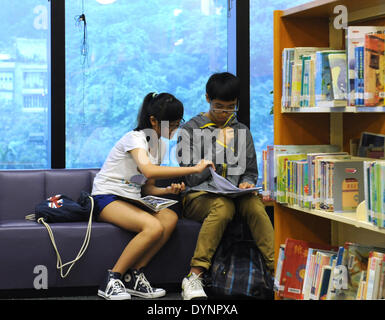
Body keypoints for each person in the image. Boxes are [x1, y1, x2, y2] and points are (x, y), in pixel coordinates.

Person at [92, 92, 214, 300]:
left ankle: (134, 275)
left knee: (170, 217)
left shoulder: (160, 144)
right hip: (107, 197)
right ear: (153, 121)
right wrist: (193, 169)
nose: (175, 129)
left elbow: (147, 187)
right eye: (171, 124)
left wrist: (167, 191)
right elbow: (148, 170)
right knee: (153, 226)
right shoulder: (135, 138)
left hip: (132, 198)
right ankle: (112, 278)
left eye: (178, 123)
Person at [176, 72, 274, 300]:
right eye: (219, 106)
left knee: (255, 206)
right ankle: (194, 276)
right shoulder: (190, 130)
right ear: (207, 98)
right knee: (222, 207)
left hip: (235, 194)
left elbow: (250, 171)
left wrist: (247, 182)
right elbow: (190, 178)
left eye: (230, 107)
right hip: (198, 196)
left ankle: (276, 271)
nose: (224, 113)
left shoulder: (242, 131)